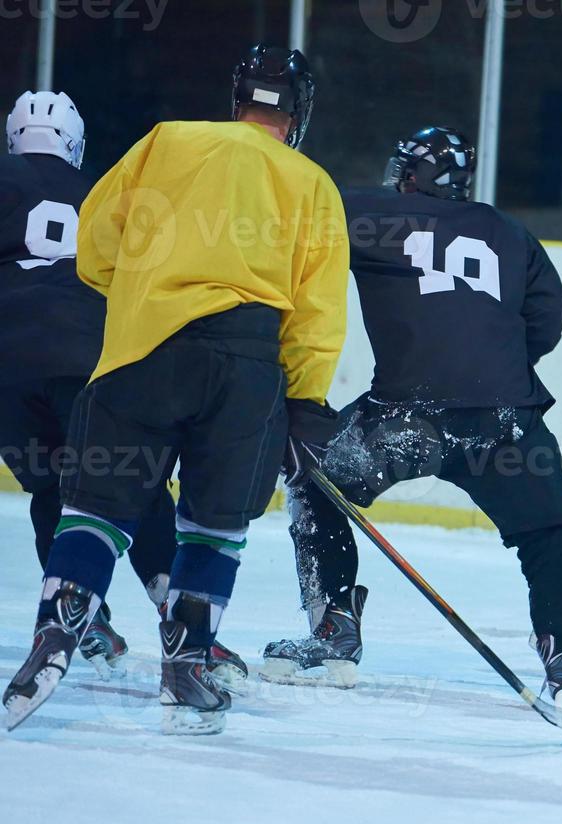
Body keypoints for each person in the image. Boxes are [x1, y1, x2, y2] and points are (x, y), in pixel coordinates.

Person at [2, 45, 350, 734]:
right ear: (300, 111)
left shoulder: (168, 141)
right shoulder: (312, 184)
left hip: (143, 349)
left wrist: (140, 300)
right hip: (246, 361)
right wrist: (305, 401)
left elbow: (96, 240)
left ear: (237, 96)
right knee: (215, 521)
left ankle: (59, 624)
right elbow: (317, 312)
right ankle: (187, 663)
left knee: (97, 505)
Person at [259, 126, 562, 709]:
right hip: (505, 420)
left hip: (405, 419)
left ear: (409, 175)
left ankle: (335, 627)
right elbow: (548, 317)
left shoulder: (373, 212)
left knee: (317, 484)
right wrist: (492, 369)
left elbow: (300, 211)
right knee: (550, 536)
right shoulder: (511, 233)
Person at [0, 90, 195, 680]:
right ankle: (175, 607)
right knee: (133, 482)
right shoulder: (106, 192)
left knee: (51, 490)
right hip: (88, 358)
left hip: (8, 367)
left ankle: (83, 613)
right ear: (75, 144)